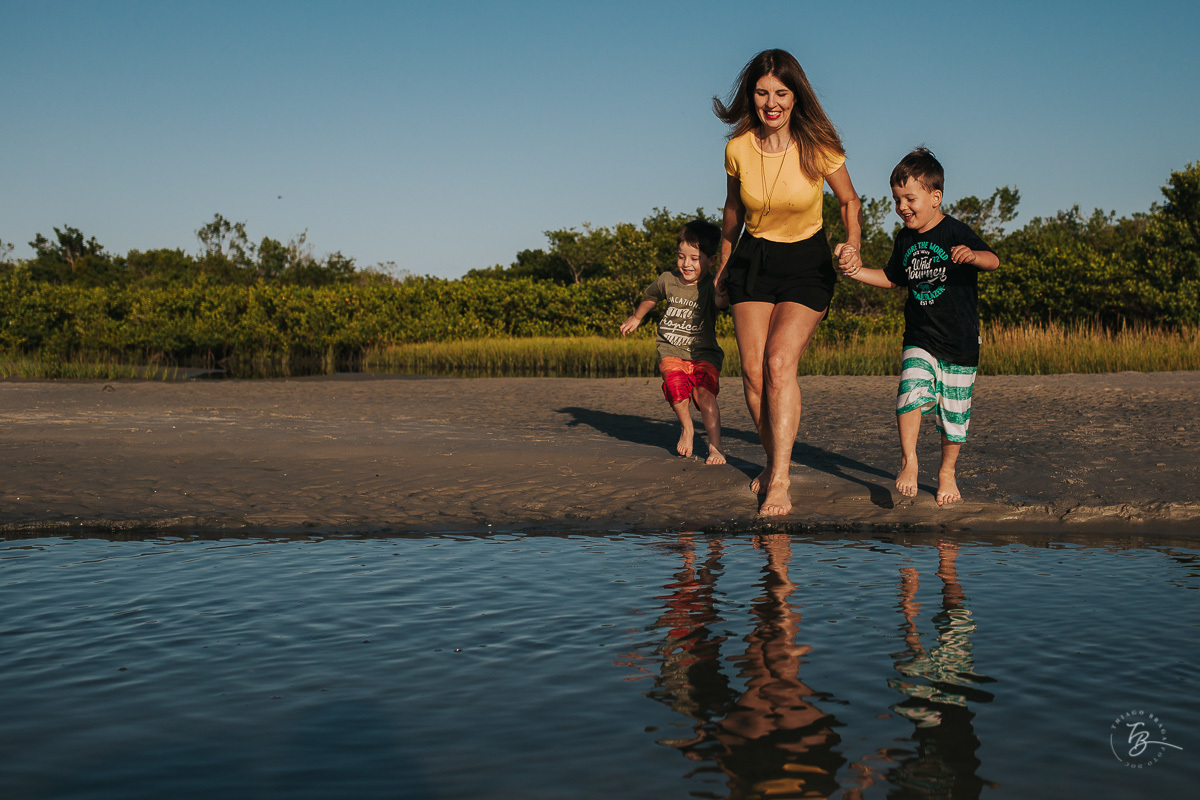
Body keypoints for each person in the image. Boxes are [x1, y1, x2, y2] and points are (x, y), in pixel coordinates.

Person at [712, 49, 863, 516]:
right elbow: (732, 214)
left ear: (796, 96)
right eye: (761, 93)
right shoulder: (737, 148)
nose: (770, 103)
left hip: (806, 262)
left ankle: (780, 478)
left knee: (779, 363)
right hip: (753, 261)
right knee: (754, 373)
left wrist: (853, 242)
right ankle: (774, 457)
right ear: (750, 95)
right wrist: (720, 271)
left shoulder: (818, 144)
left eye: (780, 93)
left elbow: (849, 201)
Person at [838, 147, 1000, 504]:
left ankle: (946, 472)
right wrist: (855, 271)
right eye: (896, 200)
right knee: (909, 391)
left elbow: (993, 260)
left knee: (954, 417)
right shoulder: (904, 240)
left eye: (909, 198)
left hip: (960, 342)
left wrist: (972, 256)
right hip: (920, 337)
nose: (902, 207)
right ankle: (909, 461)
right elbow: (893, 277)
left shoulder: (955, 231)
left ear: (935, 197)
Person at [620, 219, 729, 465]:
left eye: (694, 258)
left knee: (705, 396)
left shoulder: (711, 285)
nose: (686, 264)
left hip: (705, 353)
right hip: (671, 348)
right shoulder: (667, 280)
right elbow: (651, 296)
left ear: (710, 261)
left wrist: (723, 293)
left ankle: (715, 447)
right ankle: (687, 428)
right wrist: (636, 317)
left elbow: (722, 304)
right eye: (682, 257)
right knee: (676, 389)